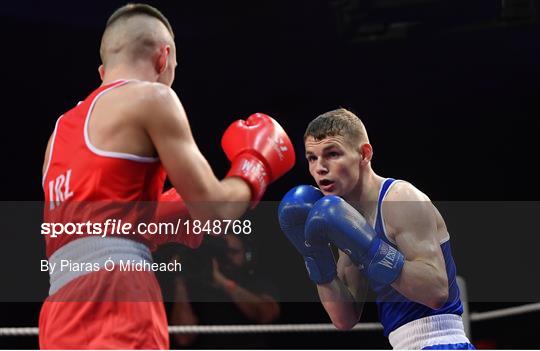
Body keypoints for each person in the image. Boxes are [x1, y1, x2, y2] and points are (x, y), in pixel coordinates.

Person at [39, 3, 295, 349]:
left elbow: (92, 231)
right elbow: (215, 210)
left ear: (103, 70)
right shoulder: (154, 97)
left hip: (59, 309)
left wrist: (170, 212)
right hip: (120, 296)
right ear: (164, 57)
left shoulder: (57, 136)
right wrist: (255, 168)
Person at [278, 108, 474, 349]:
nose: (320, 167)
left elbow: (435, 291)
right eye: (312, 158)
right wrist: (314, 255)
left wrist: (369, 248)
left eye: (332, 154)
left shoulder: (400, 198)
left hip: (442, 341)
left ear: (364, 153)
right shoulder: (345, 218)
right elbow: (345, 318)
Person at [167, 234, 280, 348]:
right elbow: (183, 337)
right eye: (222, 252)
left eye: (233, 252)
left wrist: (222, 282)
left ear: (247, 254)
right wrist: (180, 280)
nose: (227, 257)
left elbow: (266, 314)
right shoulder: (195, 283)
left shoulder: (256, 281)